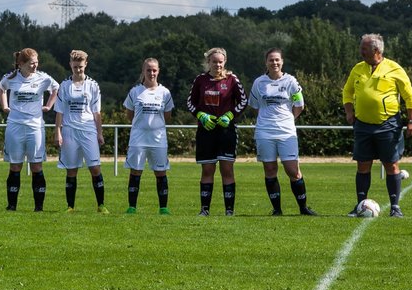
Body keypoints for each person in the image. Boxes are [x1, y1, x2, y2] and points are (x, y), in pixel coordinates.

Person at [342, 33, 412, 218]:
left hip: (388, 124)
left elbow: (409, 97)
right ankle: (360, 205)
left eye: (364, 48)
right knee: (363, 165)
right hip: (363, 126)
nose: (361, 51)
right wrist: (349, 112)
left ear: (376, 50)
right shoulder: (358, 69)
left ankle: (395, 207)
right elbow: (347, 92)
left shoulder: (394, 69)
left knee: (391, 165)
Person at [250, 48, 316, 216]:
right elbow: (255, 107)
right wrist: (268, 121)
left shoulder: (290, 82)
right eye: (271, 60)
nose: (274, 63)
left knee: (292, 170)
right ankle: (277, 210)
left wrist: (287, 119)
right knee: (270, 170)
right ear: (266, 62)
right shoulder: (259, 83)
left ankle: (303, 208)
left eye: (277, 60)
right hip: (265, 132)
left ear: (282, 62)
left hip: (286, 132)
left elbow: (299, 105)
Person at [186, 47, 248, 216]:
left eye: (220, 62)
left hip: (226, 132)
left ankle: (229, 210)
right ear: (208, 62)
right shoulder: (200, 80)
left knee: (227, 170)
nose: (217, 65)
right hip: (206, 132)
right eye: (214, 62)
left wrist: (230, 114)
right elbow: (190, 103)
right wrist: (200, 115)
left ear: (225, 62)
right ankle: (204, 210)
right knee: (207, 170)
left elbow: (243, 101)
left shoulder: (232, 80)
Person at [0, 48, 58, 211]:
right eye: (31, 63)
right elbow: (1, 88)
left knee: (36, 166)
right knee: (15, 166)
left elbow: (56, 88)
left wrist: (49, 105)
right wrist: (5, 106)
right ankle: (11, 206)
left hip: (35, 127)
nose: (35, 66)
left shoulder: (43, 78)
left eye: (37, 62)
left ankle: (38, 207)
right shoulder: (11, 78)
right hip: (15, 126)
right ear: (21, 63)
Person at [54, 50, 107, 213]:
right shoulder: (64, 85)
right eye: (75, 66)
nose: (78, 70)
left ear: (86, 65)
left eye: (81, 67)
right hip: (69, 131)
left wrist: (99, 133)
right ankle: (70, 206)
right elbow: (60, 111)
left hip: (88, 130)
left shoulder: (93, 85)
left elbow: (97, 112)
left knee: (95, 167)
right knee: (71, 169)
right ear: (70, 65)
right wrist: (58, 132)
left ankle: (101, 205)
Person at [123, 57, 174, 215]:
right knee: (135, 171)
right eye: (148, 70)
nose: (151, 73)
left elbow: (168, 116)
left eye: (154, 70)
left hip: (158, 139)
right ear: (143, 71)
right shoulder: (135, 91)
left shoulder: (165, 92)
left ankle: (163, 208)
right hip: (138, 139)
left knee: (160, 172)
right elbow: (129, 114)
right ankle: (132, 207)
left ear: (158, 71)